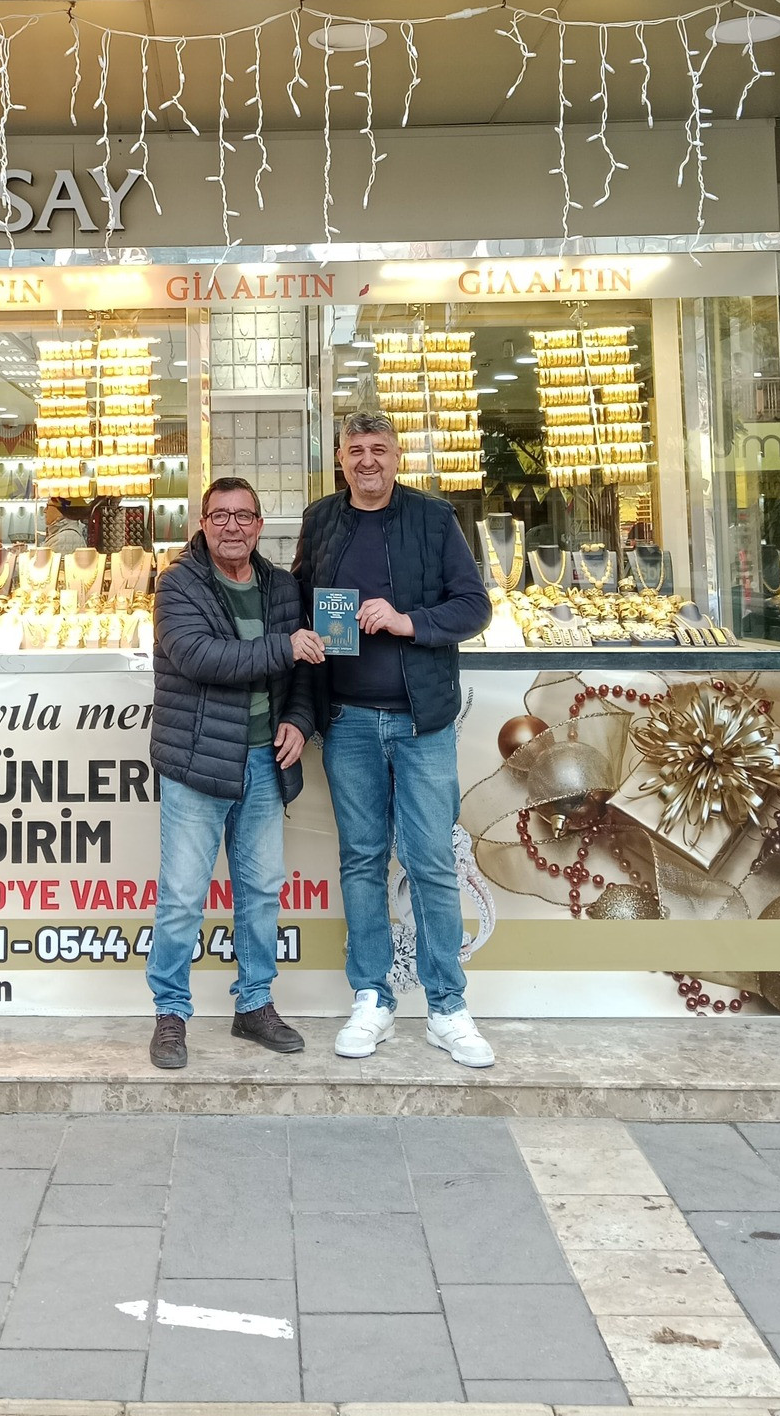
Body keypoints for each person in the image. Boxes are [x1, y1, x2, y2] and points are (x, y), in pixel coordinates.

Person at [292, 410, 495, 1068]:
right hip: (348, 719)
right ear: (341, 459)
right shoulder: (322, 520)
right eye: (356, 450)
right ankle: (372, 998)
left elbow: (475, 606)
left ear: (397, 455)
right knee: (361, 861)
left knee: (431, 861)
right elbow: (298, 605)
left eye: (378, 448)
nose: (367, 460)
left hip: (419, 720)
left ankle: (447, 1007)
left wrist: (408, 621)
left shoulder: (433, 519)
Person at [146, 477, 324, 1069]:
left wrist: (298, 719)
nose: (232, 526)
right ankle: (171, 1014)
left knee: (262, 889)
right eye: (220, 515)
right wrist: (285, 647)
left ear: (259, 525)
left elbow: (304, 669)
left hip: (263, 761)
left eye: (244, 515)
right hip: (197, 762)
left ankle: (254, 1004)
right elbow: (198, 656)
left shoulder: (281, 587)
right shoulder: (178, 584)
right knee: (182, 896)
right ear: (202, 522)